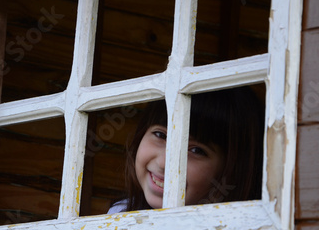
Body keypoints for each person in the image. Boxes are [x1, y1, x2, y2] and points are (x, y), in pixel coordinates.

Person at [107, 86, 264, 214]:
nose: (163, 163)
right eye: (160, 135)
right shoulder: (120, 214)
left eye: (196, 150)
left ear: (231, 169)